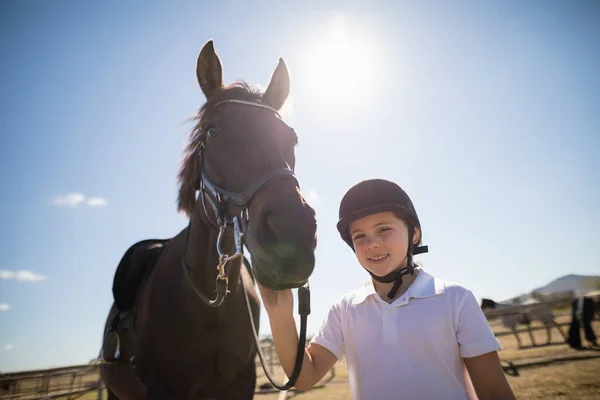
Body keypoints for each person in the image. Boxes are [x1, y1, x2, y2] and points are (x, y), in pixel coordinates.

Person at [257, 178, 516, 399]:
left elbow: (494, 394)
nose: (372, 244)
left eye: (384, 230)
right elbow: (305, 376)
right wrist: (279, 313)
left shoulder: (455, 299)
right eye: (360, 236)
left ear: (414, 234)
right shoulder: (345, 309)